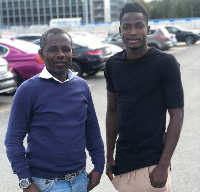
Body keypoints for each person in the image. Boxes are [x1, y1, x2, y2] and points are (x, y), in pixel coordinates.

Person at [5, 28, 105, 192]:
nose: (60, 54)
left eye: (65, 49)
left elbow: (92, 129)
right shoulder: (28, 90)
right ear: (42, 54)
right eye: (53, 49)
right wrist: (25, 180)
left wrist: (99, 166)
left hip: (80, 181)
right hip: (46, 185)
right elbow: (13, 140)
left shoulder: (81, 86)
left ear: (72, 52)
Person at [104, 2, 184, 192]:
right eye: (127, 27)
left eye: (139, 26)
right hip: (123, 161)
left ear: (147, 30)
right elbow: (112, 111)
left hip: (153, 163)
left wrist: (163, 165)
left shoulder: (165, 63)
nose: (133, 32)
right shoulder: (113, 64)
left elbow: (177, 114)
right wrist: (109, 157)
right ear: (120, 30)